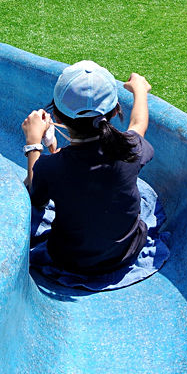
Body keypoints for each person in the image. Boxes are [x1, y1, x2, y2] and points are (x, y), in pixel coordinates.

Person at [22, 61, 157, 276]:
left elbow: (35, 198)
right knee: (144, 193)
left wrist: (33, 145)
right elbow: (138, 125)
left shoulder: (50, 167)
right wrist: (140, 90)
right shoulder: (131, 149)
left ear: (56, 116)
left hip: (69, 259)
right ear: (114, 112)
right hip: (126, 252)